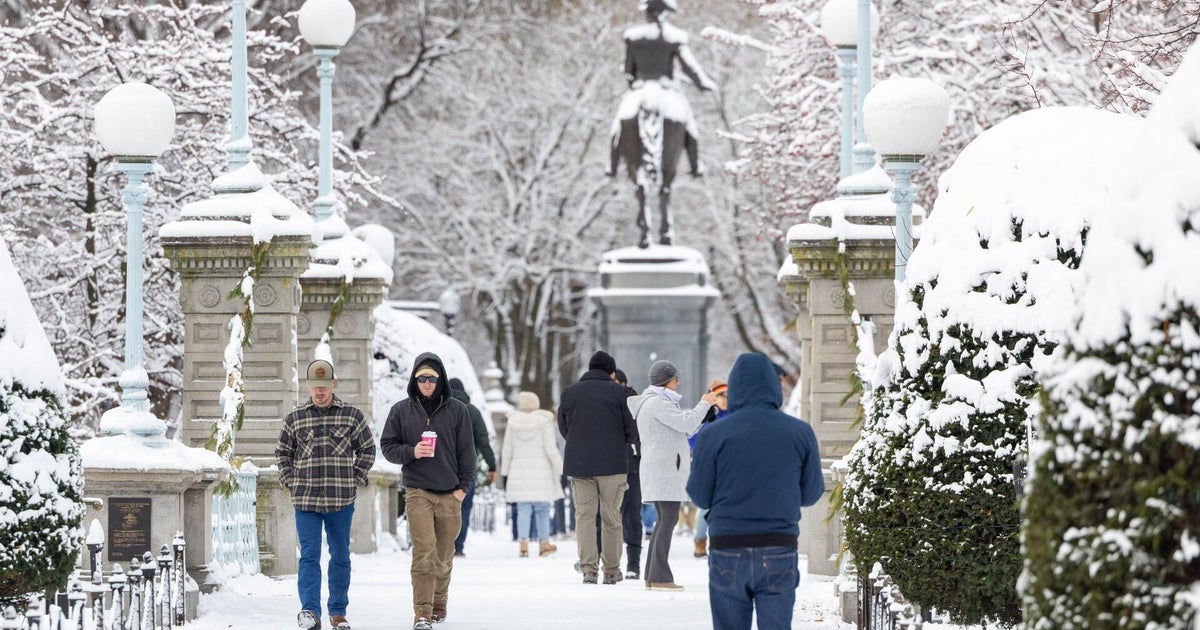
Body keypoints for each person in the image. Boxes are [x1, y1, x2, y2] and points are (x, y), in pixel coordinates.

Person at [687, 353, 825, 630]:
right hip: (779, 545)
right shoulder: (800, 432)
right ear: (774, 387)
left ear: (735, 389)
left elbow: (699, 495)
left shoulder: (713, 434)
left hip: (728, 547)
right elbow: (811, 493)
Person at [276, 359, 376, 630]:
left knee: (340, 555)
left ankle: (338, 612)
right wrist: (291, 480)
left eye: (324, 386)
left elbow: (367, 449)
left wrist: (354, 478)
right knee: (309, 555)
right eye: (314, 386)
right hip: (305, 500)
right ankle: (310, 611)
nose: (319, 391)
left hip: (340, 500)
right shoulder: (295, 418)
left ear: (333, 384)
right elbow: (283, 453)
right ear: (308, 386)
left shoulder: (352, 416)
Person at [380, 354, 476, 630]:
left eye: (432, 378)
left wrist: (462, 489)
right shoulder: (401, 410)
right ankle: (422, 612)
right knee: (423, 552)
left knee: (443, 556)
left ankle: (439, 601)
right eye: (421, 378)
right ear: (414, 380)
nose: (426, 383)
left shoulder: (458, 410)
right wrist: (412, 451)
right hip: (418, 491)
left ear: (440, 380)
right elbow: (387, 447)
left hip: (449, 493)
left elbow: (467, 453)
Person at [627, 360, 716, 591]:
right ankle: (659, 577)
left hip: (662, 468)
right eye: (676, 378)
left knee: (664, 521)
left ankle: (652, 575)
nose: (678, 382)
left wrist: (703, 416)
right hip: (664, 470)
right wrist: (704, 403)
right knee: (667, 520)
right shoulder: (658, 403)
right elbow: (685, 423)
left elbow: (682, 429)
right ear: (667, 380)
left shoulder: (656, 402)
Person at [558, 350, 639, 585]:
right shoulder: (621, 394)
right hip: (613, 464)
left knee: (584, 516)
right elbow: (632, 431)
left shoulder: (570, 393)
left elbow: (564, 428)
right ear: (612, 372)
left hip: (580, 464)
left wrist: (579, 441)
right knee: (611, 516)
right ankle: (611, 570)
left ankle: (588, 569)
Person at [500, 391, 563, 558]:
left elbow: (507, 450)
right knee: (542, 508)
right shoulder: (544, 422)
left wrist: (505, 473)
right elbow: (551, 449)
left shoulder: (512, 422)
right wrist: (561, 468)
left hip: (518, 471)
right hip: (541, 472)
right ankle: (544, 544)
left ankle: (523, 545)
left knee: (523, 509)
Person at [447, 377, 497, 558]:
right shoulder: (473, 412)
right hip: (468, 467)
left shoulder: (442, 410)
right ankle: (458, 546)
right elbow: (483, 442)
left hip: (445, 467)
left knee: (444, 505)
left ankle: (445, 545)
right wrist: (492, 466)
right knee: (465, 507)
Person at [689, 379, 729, 558]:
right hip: (709, 469)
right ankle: (700, 541)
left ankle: (721, 541)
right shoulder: (705, 417)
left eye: (727, 395)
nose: (725, 399)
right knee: (705, 507)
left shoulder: (736, 415)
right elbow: (692, 440)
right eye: (720, 395)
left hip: (729, 469)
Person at [613, 369, 644, 579]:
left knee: (631, 515)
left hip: (631, 464)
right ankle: (606, 561)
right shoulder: (602, 403)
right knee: (606, 515)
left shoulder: (635, 403)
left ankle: (633, 563)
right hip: (608, 464)